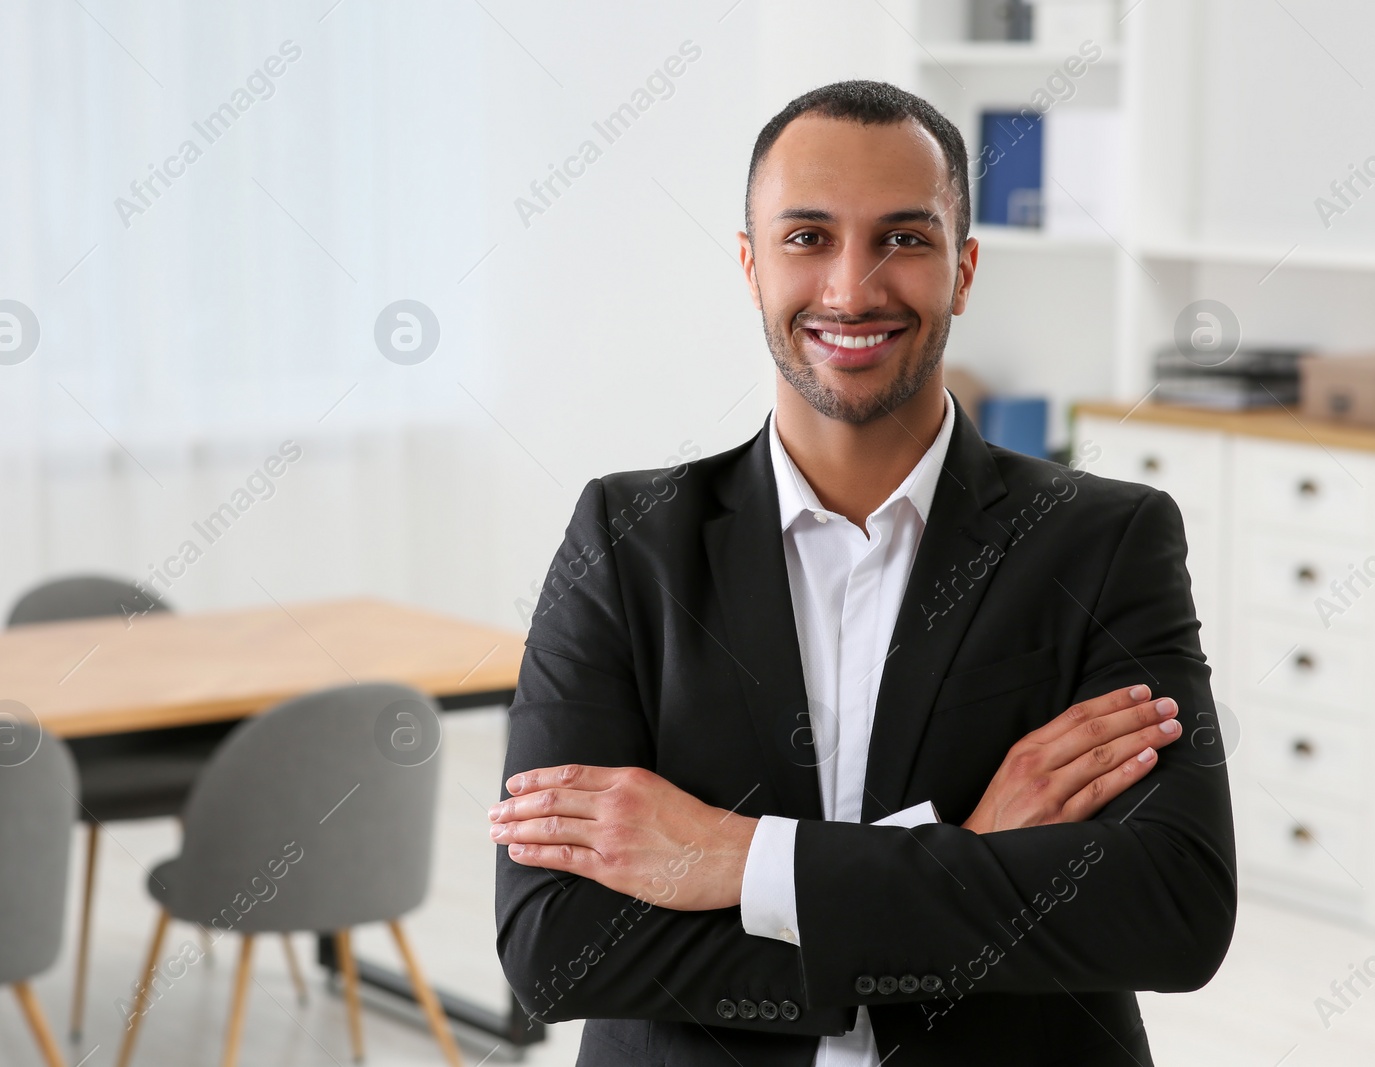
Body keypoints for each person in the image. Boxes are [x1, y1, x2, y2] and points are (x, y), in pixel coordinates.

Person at [491, 80, 1235, 1066]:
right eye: (806, 238)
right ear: (750, 267)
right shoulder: (625, 539)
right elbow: (552, 942)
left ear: (963, 270)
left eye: (904, 238)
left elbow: (1170, 907)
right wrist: (967, 844)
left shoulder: (1102, 539)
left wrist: (738, 859)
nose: (851, 289)